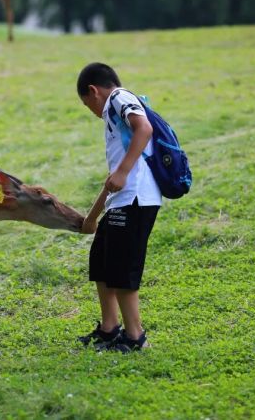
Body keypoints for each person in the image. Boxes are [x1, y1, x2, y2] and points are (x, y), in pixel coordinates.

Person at [77, 62, 161, 353]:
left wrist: (124, 171)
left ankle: (135, 337)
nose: (91, 111)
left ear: (93, 91)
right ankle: (109, 328)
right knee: (101, 261)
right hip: (122, 199)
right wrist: (92, 216)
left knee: (122, 269)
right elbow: (112, 179)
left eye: (87, 104)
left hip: (137, 198)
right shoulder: (114, 112)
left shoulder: (118, 98)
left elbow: (144, 128)